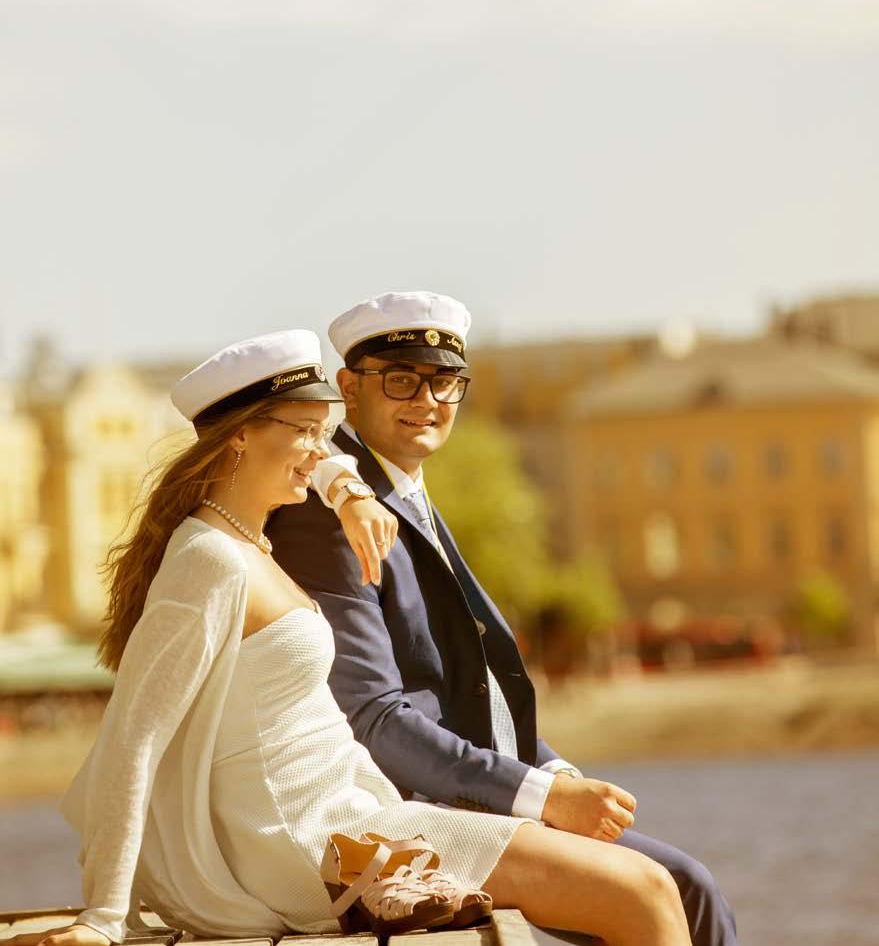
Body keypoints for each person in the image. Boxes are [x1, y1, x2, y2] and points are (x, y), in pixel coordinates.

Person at [10, 328, 691, 946]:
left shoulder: (251, 540)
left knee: (645, 884)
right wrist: (101, 913)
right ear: (242, 435)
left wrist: (348, 492)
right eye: (307, 431)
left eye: (323, 430)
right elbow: (134, 736)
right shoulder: (208, 561)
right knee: (640, 887)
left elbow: (329, 462)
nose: (323, 450)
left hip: (355, 816)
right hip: (312, 846)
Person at [268, 292, 738, 946]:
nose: (426, 400)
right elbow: (371, 718)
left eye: (445, 381)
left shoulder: (401, 491)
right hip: (393, 816)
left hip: (462, 794)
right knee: (674, 888)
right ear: (349, 386)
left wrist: (558, 778)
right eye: (400, 378)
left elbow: (466, 688)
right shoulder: (334, 515)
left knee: (685, 884)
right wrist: (539, 798)